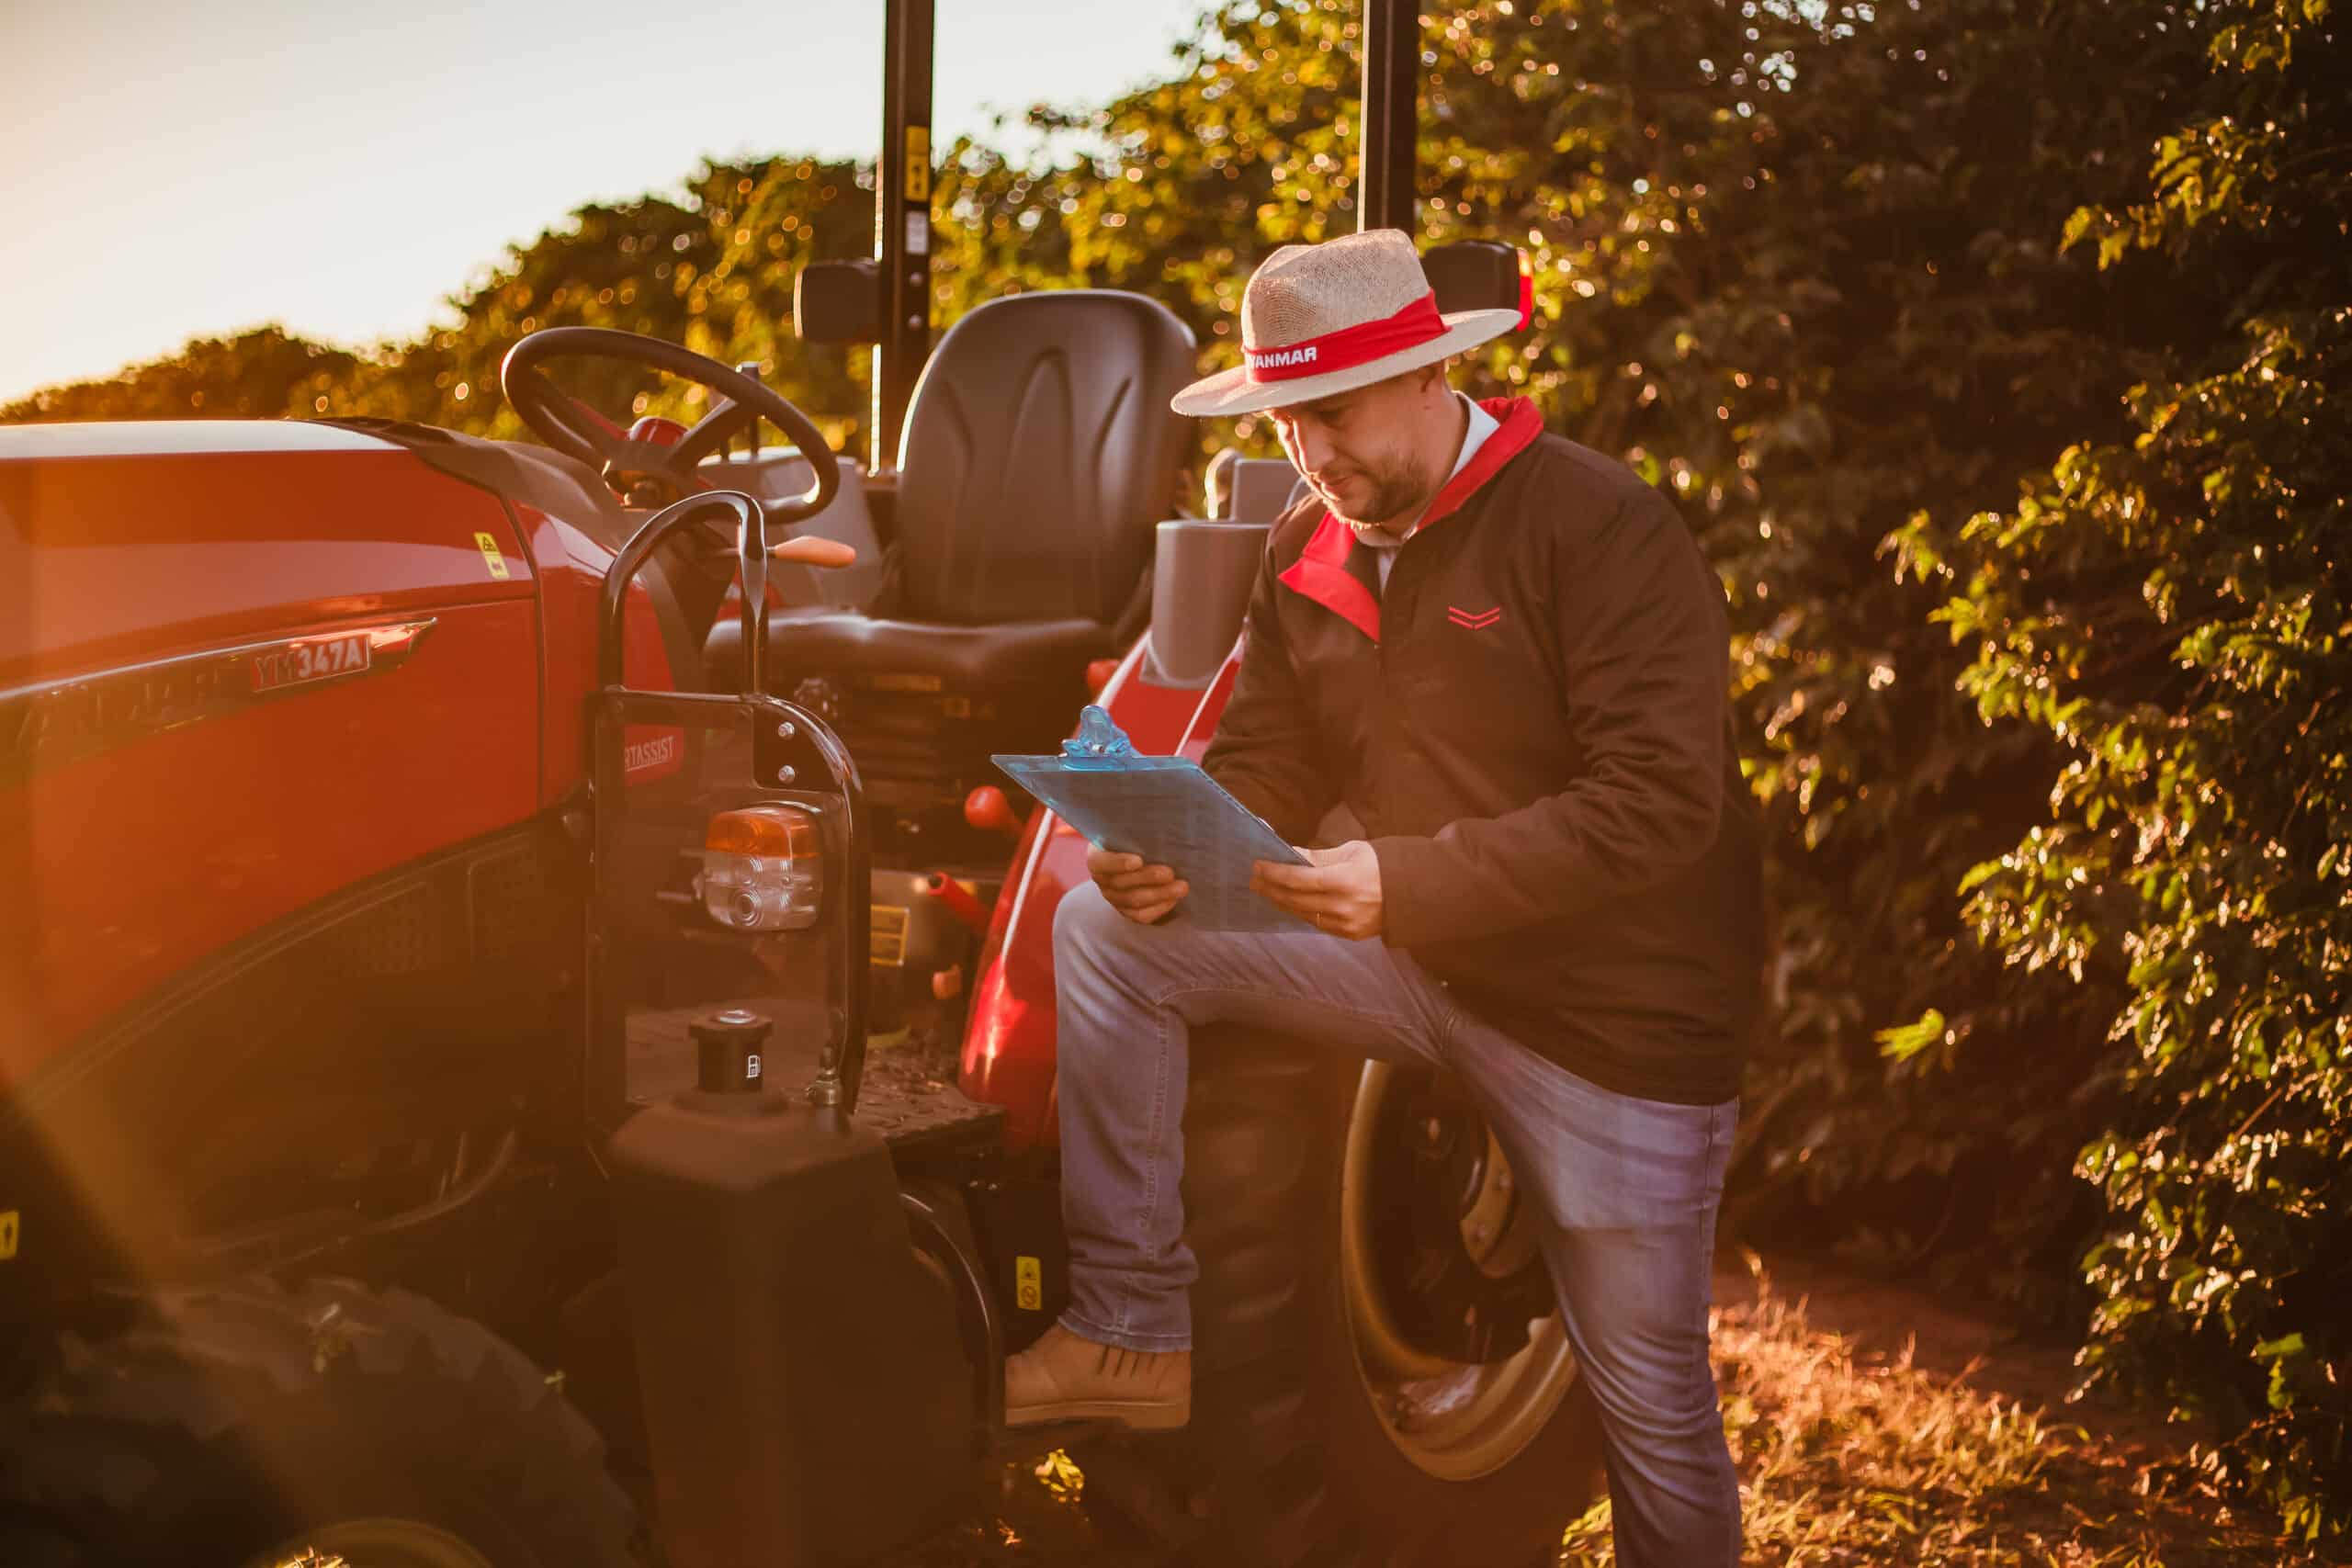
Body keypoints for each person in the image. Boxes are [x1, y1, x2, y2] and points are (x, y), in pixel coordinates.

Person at [1001, 228, 1762, 1566]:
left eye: (1334, 415)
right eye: (1289, 422)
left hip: (1609, 1028)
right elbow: (1267, 764)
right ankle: (1131, 1331)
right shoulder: (1309, 540)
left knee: (1651, 1404)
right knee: (1105, 930)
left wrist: (1405, 880)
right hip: (1426, 971)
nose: (1313, 455)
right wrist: (1179, 847)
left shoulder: (1598, 524)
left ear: (1430, 376)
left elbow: (1659, 803)